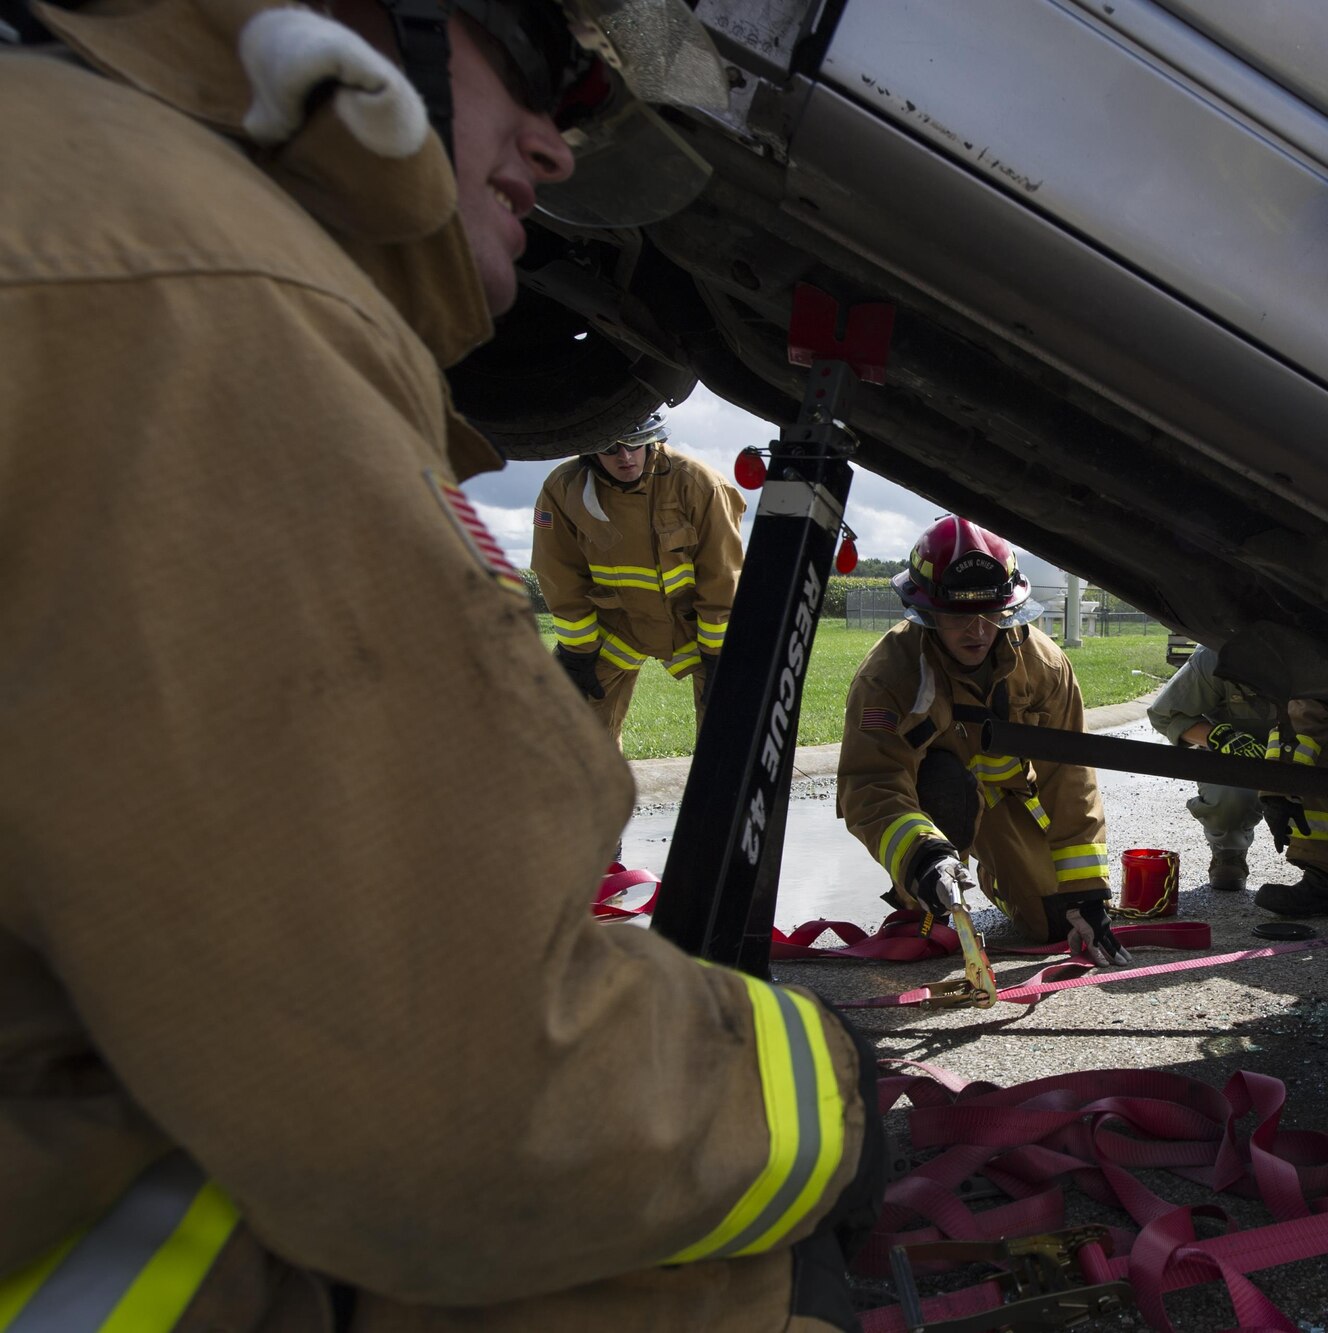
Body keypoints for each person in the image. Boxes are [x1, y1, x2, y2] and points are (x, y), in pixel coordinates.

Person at [0, 4, 878, 1330]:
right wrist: (829, 1105)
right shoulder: (194, 283)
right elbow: (458, 1093)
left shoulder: (103, 219)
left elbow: (708, 600)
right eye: (536, 62)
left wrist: (698, 705)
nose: (560, 143)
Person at [837, 517, 1131, 965]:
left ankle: (996, 877)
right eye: (958, 616)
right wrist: (922, 858)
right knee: (944, 790)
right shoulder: (888, 676)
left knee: (1054, 922)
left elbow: (1070, 777)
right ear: (927, 612)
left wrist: (1087, 895)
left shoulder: (1046, 667)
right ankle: (926, 892)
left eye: (990, 613)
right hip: (933, 809)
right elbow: (872, 784)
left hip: (1005, 804)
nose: (976, 631)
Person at [1147, 645, 1328, 914]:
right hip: (1248, 758)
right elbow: (1166, 714)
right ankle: (1229, 854)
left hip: (1312, 750)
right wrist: (1219, 737)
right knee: (1229, 791)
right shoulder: (1218, 654)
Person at [532, 409, 746, 744]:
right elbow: (559, 573)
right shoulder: (563, 490)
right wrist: (577, 653)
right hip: (618, 626)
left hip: (696, 631)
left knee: (726, 739)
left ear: (654, 439)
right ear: (590, 451)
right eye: (610, 447)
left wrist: (720, 657)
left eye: (635, 442)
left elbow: (722, 578)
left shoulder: (701, 485)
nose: (625, 457)